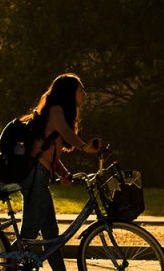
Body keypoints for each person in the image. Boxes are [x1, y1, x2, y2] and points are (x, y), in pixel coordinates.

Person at [19, 73, 103, 271]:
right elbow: (66, 134)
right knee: (30, 232)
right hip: (35, 176)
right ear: (69, 93)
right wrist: (85, 148)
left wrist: (62, 172)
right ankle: (8, 265)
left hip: (41, 174)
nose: (84, 94)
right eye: (81, 90)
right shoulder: (56, 110)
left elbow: (49, 155)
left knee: (51, 235)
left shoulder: (56, 112)